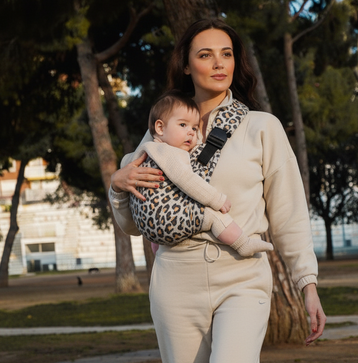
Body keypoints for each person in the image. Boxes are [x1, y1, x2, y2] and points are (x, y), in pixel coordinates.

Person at [109, 18, 326, 363]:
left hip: (242, 275)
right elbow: (136, 224)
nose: (218, 63)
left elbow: (289, 214)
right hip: (175, 279)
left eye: (226, 54)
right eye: (206, 54)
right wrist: (118, 188)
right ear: (185, 65)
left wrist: (307, 285)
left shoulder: (262, 127)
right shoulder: (159, 137)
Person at [130, 90, 274, 257]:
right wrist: (216, 199)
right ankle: (243, 244)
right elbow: (187, 180)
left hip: (148, 225)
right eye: (183, 125)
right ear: (160, 127)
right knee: (212, 215)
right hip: (167, 219)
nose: (191, 132)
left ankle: (158, 250)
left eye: (194, 127)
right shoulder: (169, 152)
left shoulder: (146, 151)